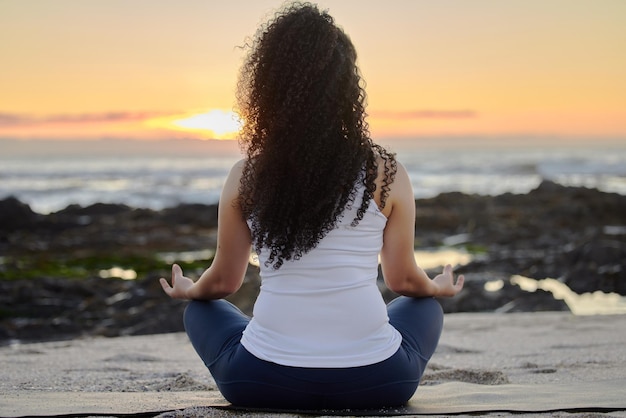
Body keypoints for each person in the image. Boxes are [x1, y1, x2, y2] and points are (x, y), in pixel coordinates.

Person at [160, 2, 464, 410]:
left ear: (267, 87)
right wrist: (438, 287)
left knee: (200, 311)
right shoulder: (386, 173)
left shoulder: (246, 176)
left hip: (259, 383)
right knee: (423, 305)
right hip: (380, 382)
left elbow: (223, 284)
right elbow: (404, 281)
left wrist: (188, 290)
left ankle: (277, 344)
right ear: (345, 88)